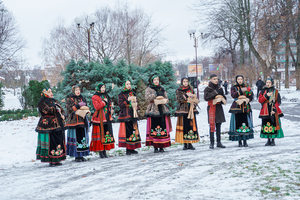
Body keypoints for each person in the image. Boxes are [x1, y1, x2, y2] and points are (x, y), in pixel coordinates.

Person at [35, 88, 66, 167]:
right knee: (51, 142)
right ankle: (51, 160)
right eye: (49, 92)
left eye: (51, 91)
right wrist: (55, 108)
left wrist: (63, 115)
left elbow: (61, 109)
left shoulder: (54, 101)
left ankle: (57, 158)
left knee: (58, 140)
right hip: (48, 124)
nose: (51, 93)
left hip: (58, 124)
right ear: (45, 93)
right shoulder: (42, 102)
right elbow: (46, 110)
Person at [145, 75, 172, 153]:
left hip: (162, 110)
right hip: (153, 110)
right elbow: (147, 98)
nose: (156, 81)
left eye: (157, 80)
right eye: (155, 80)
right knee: (154, 127)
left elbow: (167, 98)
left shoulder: (162, 88)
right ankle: (155, 147)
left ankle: (162, 146)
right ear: (152, 81)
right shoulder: (149, 89)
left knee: (162, 127)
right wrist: (155, 95)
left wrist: (164, 100)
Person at [65, 85, 90, 162]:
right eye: (76, 90)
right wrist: (77, 106)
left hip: (82, 120)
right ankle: (76, 156)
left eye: (79, 90)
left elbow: (86, 106)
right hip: (74, 121)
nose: (78, 91)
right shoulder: (69, 99)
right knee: (76, 138)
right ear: (73, 91)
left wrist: (87, 110)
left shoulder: (82, 98)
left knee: (82, 137)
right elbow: (68, 110)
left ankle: (82, 155)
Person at [90, 83, 115, 158]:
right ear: (98, 88)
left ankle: (105, 151)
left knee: (106, 133)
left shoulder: (106, 96)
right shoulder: (95, 97)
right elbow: (97, 107)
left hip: (107, 117)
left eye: (104, 87)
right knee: (101, 134)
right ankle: (101, 151)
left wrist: (111, 109)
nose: (103, 89)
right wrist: (104, 102)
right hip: (99, 118)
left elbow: (109, 104)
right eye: (102, 87)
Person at [228, 75, 254, 147]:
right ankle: (239, 141)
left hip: (245, 107)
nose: (240, 80)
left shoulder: (246, 87)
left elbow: (251, 95)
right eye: (238, 79)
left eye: (241, 79)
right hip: (237, 108)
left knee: (245, 124)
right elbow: (233, 95)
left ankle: (245, 141)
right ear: (236, 80)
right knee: (238, 124)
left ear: (243, 80)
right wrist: (240, 91)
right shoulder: (234, 87)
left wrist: (248, 99)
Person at [175, 77, 199, 150]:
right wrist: (185, 96)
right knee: (184, 126)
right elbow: (179, 100)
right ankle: (185, 144)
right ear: (182, 82)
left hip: (191, 109)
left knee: (191, 126)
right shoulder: (179, 90)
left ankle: (190, 143)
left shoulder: (191, 90)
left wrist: (194, 103)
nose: (185, 83)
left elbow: (195, 99)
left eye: (186, 81)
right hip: (183, 110)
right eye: (184, 81)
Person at [118, 80, 141, 155]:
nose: (128, 85)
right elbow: (120, 105)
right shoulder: (121, 94)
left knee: (134, 130)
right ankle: (128, 149)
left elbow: (136, 102)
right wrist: (127, 101)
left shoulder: (133, 93)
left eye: (129, 84)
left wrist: (136, 106)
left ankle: (133, 147)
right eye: (127, 84)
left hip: (133, 113)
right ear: (124, 85)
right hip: (126, 114)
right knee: (128, 131)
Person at [258, 78, 284, 146]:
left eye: (269, 82)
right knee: (266, 123)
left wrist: (274, 109)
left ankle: (273, 140)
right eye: (267, 82)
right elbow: (260, 100)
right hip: (265, 110)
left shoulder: (275, 91)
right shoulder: (262, 91)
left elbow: (277, 101)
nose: (268, 84)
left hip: (273, 109)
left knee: (273, 124)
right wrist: (266, 95)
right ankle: (268, 139)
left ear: (272, 83)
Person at [204, 74, 227, 149]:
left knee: (218, 125)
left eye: (216, 79)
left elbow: (224, 98)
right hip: (211, 108)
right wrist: (215, 93)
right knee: (211, 125)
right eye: (214, 79)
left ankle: (219, 142)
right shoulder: (208, 88)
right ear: (210, 80)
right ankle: (211, 142)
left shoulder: (220, 88)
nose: (216, 80)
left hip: (218, 108)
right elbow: (206, 97)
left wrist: (221, 100)